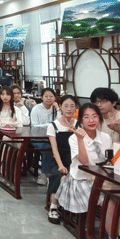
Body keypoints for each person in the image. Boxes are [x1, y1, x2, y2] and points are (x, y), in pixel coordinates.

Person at [55, 104, 112, 215]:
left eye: (95, 116)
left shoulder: (106, 137)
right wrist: (80, 139)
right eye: (86, 117)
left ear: (99, 118)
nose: (91, 120)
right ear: (81, 120)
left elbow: (109, 161)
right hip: (81, 180)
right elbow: (85, 163)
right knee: (107, 203)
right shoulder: (74, 138)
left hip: (102, 180)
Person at [46, 95, 78, 224]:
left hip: (75, 161)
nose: (69, 109)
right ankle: (53, 207)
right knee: (59, 175)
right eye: (66, 106)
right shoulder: (53, 125)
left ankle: (75, 208)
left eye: (72, 106)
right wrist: (60, 165)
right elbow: (54, 149)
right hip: (58, 160)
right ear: (60, 107)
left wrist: (76, 132)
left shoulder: (78, 124)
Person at [31, 88, 59, 185]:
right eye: (46, 96)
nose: (49, 98)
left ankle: (58, 174)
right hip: (37, 137)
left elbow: (60, 123)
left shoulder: (55, 109)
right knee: (48, 148)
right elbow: (34, 126)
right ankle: (44, 174)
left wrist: (58, 109)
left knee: (63, 147)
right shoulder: (36, 109)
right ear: (42, 97)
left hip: (52, 137)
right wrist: (50, 125)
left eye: (51, 96)